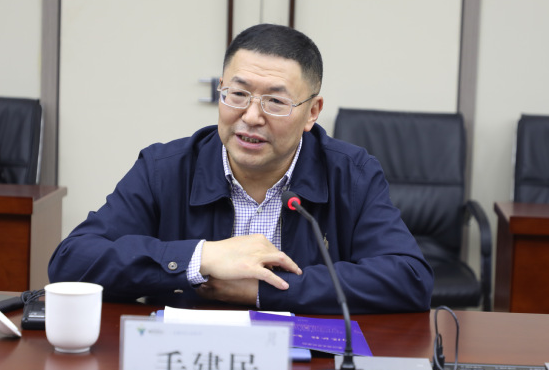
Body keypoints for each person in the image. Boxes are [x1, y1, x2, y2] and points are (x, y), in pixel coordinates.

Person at [48, 23, 434, 314]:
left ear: (312, 112)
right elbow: (72, 261)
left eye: (275, 102)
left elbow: (409, 278)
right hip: (187, 359)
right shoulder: (165, 169)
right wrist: (200, 258)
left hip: (302, 366)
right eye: (238, 94)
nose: (251, 116)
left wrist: (265, 290)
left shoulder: (351, 173)